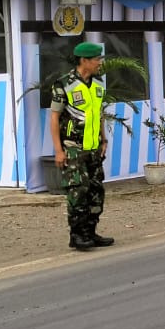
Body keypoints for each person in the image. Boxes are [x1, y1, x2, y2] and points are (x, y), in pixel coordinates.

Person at [49, 41, 114, 251]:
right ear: (84, 61)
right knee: (78, 192)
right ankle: (76, 235)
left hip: (93, 148)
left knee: (96, 191)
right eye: (96, 60)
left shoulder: (98, 84)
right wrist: (58, 151)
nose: (99, 63)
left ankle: (90, 232)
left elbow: (99, 114)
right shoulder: (64, 84)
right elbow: (54, 118)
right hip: (73, 148)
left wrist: (103, 140)